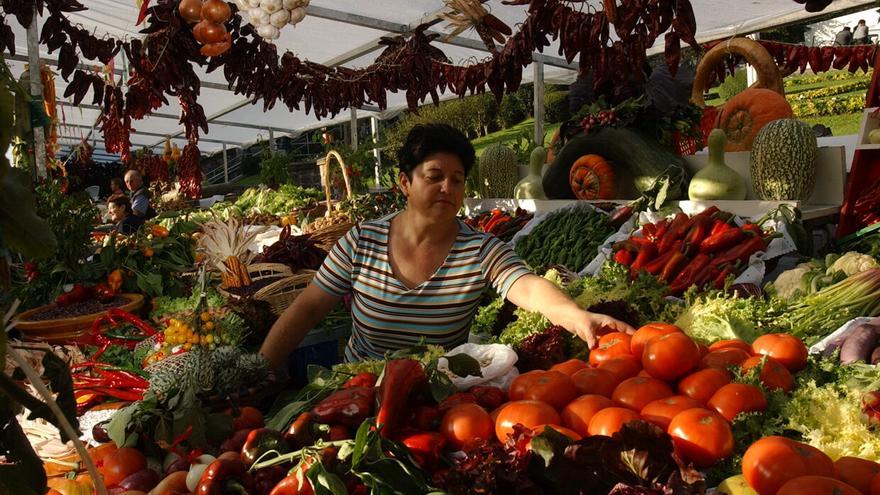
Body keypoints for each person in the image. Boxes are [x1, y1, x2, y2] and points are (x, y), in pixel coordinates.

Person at [259, 124, 634, 370]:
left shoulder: (480, 249)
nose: (447, 189)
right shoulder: (361, 242)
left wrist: (575, 315)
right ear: (405, 183)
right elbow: (305, 312)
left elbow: (528, 286)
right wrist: (261, 374)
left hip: (441, 393)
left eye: (457, 180)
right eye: (434, 177)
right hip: (360, 390)